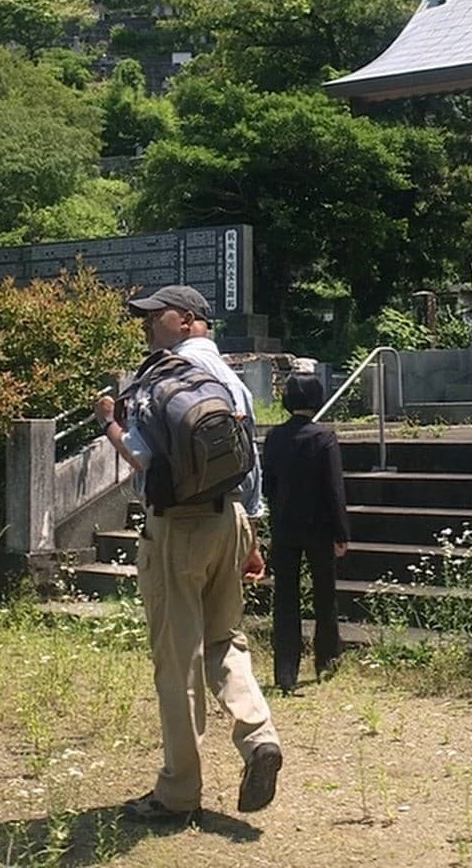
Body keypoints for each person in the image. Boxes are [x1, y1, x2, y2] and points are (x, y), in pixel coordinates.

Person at [94, 284, 281, 823]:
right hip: (231, 520)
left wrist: (108, 421)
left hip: (177, 530)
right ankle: (258, 737)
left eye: (157, 316)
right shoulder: (230, 380)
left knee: (178, 662)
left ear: (187, 319)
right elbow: (248, 457)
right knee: (225, 639)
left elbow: (142, 457)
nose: (148, 325)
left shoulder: (160, 379)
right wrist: (250, 534)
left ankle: (178, 792)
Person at [260, 372, 351, 693]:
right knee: (325, 594)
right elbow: (334, 490)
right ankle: (327, 659)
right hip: (319, 528)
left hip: (284, 527)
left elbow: (267, 485)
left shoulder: (273, 438)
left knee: (285, 598)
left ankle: (285, 671)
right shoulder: (324, 438)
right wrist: (341, 532)